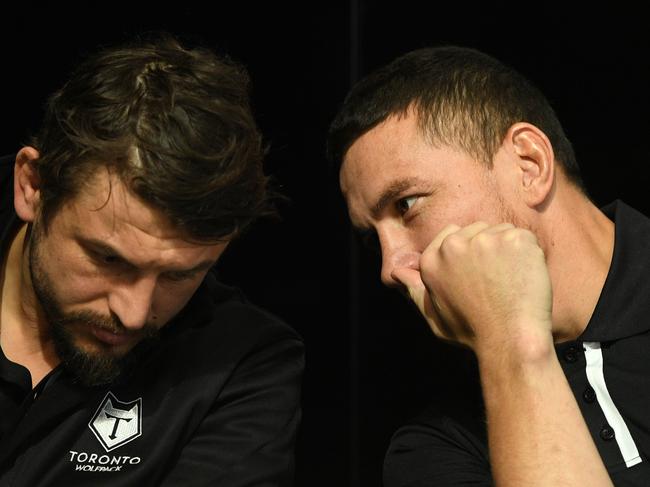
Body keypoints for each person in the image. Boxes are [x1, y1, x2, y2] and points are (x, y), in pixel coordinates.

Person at [328, 46, 650, 486]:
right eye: (372, 238)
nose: (389, 268)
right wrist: (509, 341)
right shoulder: (435, 446)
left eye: (406, 204)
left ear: (529, 165)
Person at [0, 35, 303, 486]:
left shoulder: (239, 364)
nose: (135, 313)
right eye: (108, 258)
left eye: (181, 275)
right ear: (33, 187)